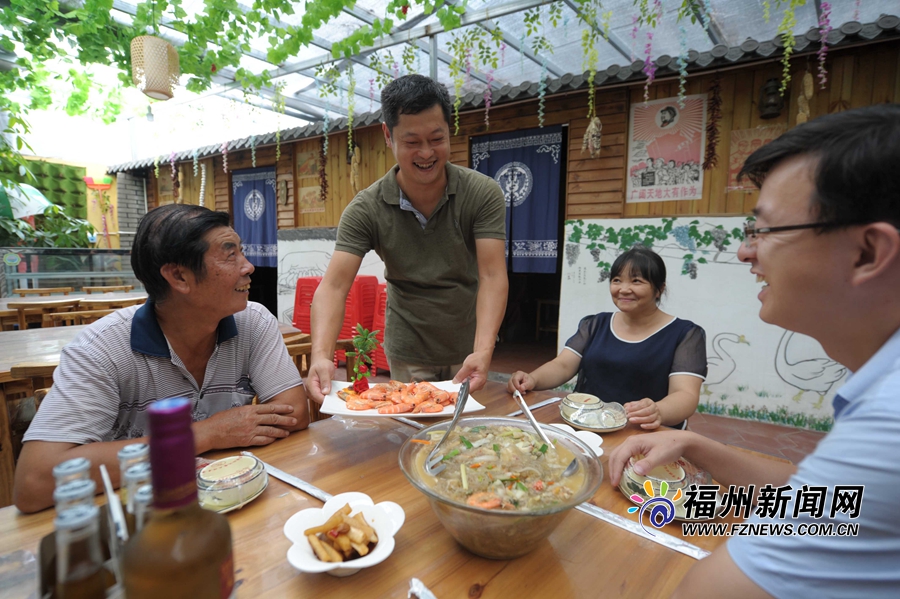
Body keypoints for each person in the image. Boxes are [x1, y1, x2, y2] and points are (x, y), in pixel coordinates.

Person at [609, 104, 900, 598]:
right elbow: (825, 508)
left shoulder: (889, 422)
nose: (746, 252)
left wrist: (673, 507)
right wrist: (696, 448)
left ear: (868, 252)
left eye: (763, 231)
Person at [14, 204, 309, 513]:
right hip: (139, 523)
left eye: (241, 251)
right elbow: (34, 481)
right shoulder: (102, 348)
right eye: (230, 253)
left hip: (232, 502)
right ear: (179, 276)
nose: (248, 266)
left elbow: (295, 412)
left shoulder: (254, 321)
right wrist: (205, 434)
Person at [306, 74, 508, 402]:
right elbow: (333, 286)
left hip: (469, 343)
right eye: (412, 141)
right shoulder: (366, 209)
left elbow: (492, 274)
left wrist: (483, 349)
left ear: (449, 130)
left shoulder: (481, 193)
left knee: (463, 438)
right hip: (408, 347)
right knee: (414, 431)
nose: (426, 153)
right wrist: (320, 356)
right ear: (388, 135)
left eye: (436, 138)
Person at [508, 246, 706, 430]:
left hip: (644, 433)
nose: (624, 289)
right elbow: (563, 365)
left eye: (636, 281)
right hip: (589, 426)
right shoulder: (596, 324)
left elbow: (685, 395)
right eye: (617, 280)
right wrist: (532, 379)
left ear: (659, 289)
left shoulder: (685, 334)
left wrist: (657, 411)